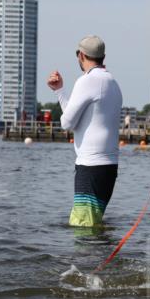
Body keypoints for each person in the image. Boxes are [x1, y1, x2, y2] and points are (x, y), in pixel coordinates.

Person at [48, 35, 123, 227]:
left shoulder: (87, 81)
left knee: (83, 229)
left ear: (81, 55)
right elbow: (78, 118)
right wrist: (59, 91)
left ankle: (91, 259)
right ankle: (103, 257)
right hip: (108, 167)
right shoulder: (112, 83)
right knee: (94, 226)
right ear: (102, 56)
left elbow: (67, 123)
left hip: (91, 167)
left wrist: (61, 97)